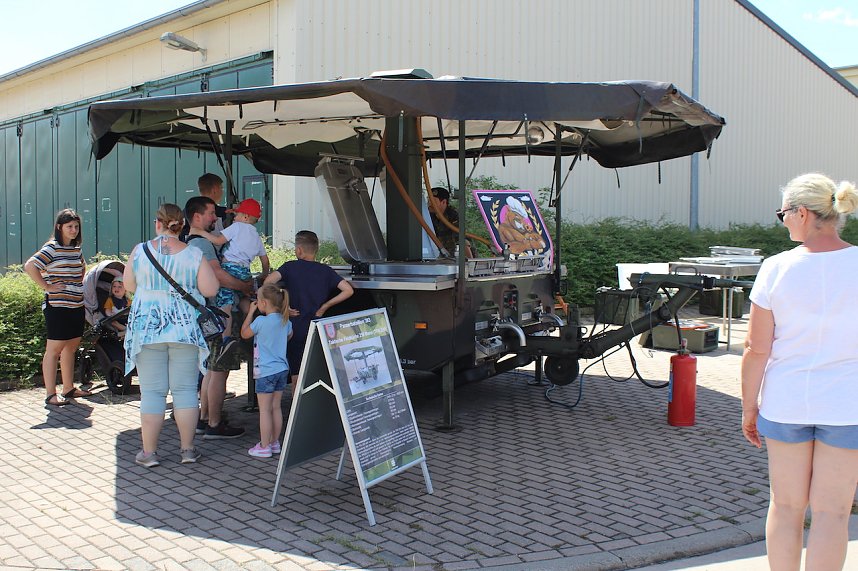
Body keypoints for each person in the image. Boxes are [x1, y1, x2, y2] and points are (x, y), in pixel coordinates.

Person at [741, 173, 858, 570]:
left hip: (786, 402)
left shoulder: (775, 269)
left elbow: (757, 349)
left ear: (803, 213)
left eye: (784, 213)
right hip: (847, 406)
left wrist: (748, 407)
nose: (783, 220)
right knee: (832, 513)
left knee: (787, 506)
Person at [123, 203, 219, 467]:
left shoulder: (140, 251)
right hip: (185, 330)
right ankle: (187, 450)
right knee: (186, 390)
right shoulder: (193, 254)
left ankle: (149, 453)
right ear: (182, 225)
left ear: (158, 224)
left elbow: (129, 285)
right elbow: (211, 289)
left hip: (147, 330)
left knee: (152, 393)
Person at [183, 196, 251, 440]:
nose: (216, 218)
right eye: (211, 213)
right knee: (219, 369)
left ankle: (204, 419)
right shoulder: (202, 243)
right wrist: (245, 286)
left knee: (210, 369)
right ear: (198, 217)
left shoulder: (190, 242)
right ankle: (214, 423)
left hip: (206, 315)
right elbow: (218, 275)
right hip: (218, 314)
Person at [263, 231, 354, 390]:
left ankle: (295, 409)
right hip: (317, 327)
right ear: (316, 250)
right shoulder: (325, 271)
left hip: (295, 327)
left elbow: (268, 283)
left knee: (297, 371)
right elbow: (348, 290)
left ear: (299, 250)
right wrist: (325, 306)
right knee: (318, 369)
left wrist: (283, 305)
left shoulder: (290, 267)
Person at [24, 209, 92, 407]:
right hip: (58, 306)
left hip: (76, 304)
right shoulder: (52, 248)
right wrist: (47, 286)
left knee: (71, 347)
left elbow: (82, 268)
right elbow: (30, 266)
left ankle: (68, 388)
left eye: (76, 227)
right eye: (69, 226)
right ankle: (50, 394)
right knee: (53, 350)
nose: (73, 230)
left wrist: (75, 285)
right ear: (59, 227)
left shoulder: (76, 249)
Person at [189, 197, 270, 364]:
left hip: (230, 268)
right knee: (244, 299)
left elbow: (218, 240)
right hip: (245, 271)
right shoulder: (256, 236)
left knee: (224, 302)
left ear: (246, 217)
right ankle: (258, 322)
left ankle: (226, 340)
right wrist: (263, 274)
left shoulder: (237, 227)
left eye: (237, 214)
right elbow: (265, 260)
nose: (234, 218)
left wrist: (201, 232)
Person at [240, 284, 292, 458]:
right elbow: (289, 335)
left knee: (264, 410)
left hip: (265, 371)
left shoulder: (260, 322)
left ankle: (264, 446)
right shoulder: (286, 321)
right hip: (282, 369)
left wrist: (249, 314)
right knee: (276, 407)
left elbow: (244, 334)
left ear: (262, 303)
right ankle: (275, 442)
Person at [429, 187, 474, 257]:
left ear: (443, 202)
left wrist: (469, 264)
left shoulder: (453, 216)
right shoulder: (428, 215)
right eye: (429, 199)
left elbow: (462, 241)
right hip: (436, 256)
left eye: (433, 201)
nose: (429, 203)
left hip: (454, 258)